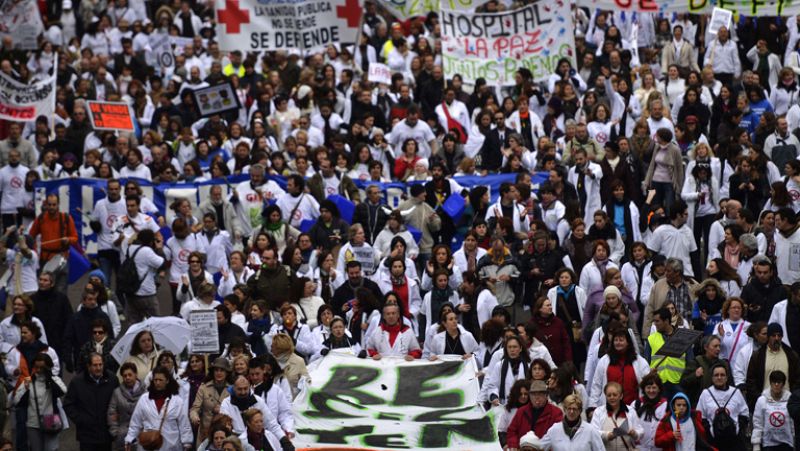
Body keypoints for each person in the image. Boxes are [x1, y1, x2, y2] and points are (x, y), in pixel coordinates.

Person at [125, 365, 194, 450]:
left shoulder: (177, 401)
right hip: (148, 445)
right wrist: (129, 439)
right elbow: (135, 422)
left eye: (160, 380)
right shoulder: (144, 399)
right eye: (155, 380)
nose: (157, 383)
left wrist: (187, 443)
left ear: (167, 380)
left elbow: (184, 424)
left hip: (171, 445)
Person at [217, 376, 293, 450]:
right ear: (233, 388)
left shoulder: (258, 401)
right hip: (235, 444)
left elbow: (271, 424)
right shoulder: (226, 404)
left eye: (245, 389)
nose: (243, 392)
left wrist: (284, 440)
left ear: (249, 387)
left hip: (259, 441)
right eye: (240, 389)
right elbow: (224, 429)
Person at [63, 352, 119, 451]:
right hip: (87, 435)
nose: (98, 368)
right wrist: (80, 420)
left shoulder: (112, 379)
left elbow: (118, 400)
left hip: (105, 433)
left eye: (100, 364)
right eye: (95, 365)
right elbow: (68, 404)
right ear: (88, 366)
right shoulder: (77, 382)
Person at [11, 354, 67, 451]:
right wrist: (25, 388)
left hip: (51, 421)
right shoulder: (28, 381)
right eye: (36, 367)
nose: (39, 370)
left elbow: (63, 391)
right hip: (33, 423)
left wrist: (49, 377)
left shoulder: (54, 379)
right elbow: (17, 401)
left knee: (51, 449)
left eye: (42, 368)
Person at [588, 325, 650, 409]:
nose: (618, 342)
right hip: (608, 410)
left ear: (628, 342)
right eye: (616, 340)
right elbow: (596, 385)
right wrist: (592, 407)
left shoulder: (640, 362)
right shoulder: (604, 361)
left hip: (634, 411)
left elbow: (647, 386)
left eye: (621, 340)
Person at [28, 193, 78, 292]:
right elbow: (31, 236)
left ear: (58, 204)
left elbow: (75, 238)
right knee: (44, 290)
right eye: (49, 205)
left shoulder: (66, 218)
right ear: (46, 205)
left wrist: (68, 240)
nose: (51, 207)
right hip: (45, 259)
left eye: (54, 205)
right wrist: (33, 250)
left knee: (61, 291)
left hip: (62, 259)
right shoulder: (41, 218)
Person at [746, 323, 800, 410]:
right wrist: (759, 397)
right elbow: (751, 380)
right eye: (773, 335)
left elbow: (797, 379)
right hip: (765, 404)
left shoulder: (791, 355)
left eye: (779, 335)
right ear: (768, 337)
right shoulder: (758, 356)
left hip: (787, 404)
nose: (776, 338)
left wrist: (793, 396)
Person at [696, 363, 750, 450]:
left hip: (734, 441)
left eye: (722, 375)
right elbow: (700, 416)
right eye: (716, 375)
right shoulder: (705, 393)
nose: (719, 377)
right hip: (714, 442)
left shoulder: (736, 392)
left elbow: (745, 413)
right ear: (712, 378)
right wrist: (710, 430)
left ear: (727, 378)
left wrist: (738, 427)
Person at [505, 380, 564, 450]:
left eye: (540, 394)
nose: (537, 397)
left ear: (546, 395)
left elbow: (559, 436)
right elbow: (512, 431)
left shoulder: (556, 413)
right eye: (533, 394)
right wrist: (513, 445)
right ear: (529, 396)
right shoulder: (521, 411)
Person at [123, 229, 166, 323]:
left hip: (131, 292)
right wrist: (159, 248)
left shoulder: (131, 248)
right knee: (156, 323)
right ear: (150, 240)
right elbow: (162, 263)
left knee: (135, 324)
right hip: (146, 293)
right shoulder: (146, 251)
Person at [190, 358, 232, 447]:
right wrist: (194, 416)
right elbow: (195, 408)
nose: (219, 373)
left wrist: (222, 409)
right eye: (216, 370)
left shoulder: (232, 388)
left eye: (222, 370)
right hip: (205, 433)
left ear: (227, 372)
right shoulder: (204, 387)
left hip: (226, 435)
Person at [590, 381, 644, 450]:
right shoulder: (599, 412)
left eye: (615, 395)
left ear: (621, 396)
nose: (612, 397)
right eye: (609, 395)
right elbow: (593, 432)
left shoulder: (630, 411)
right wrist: (608, 435)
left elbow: (641, 431)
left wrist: (634, 433)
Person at [539, 394, 604, 450]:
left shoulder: (590, 430)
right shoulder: (554, 429)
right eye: (569, 408)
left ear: (580, 411)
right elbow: (540, 447)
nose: (571, 412)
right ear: (564, 409)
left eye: (574, 409)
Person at [752, 370, 794, 451]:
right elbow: (757, 423)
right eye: (774, 382)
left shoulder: (790, 400)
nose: (776, 385)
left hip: (787, 443)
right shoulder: (762, 400)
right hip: (768, 444)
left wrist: (795, 440)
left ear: (783, 384)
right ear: (770, 383)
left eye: (779, 382)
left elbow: (792, 423)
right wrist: (756, 444)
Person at [108, 362, 146, 451]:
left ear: (136, 374)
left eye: (130, 375)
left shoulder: (145, 392)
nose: (127, 378)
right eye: (125, 376)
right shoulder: (117, 392)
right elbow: (111, 412)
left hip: (141, 436)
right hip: (122, 436)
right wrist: (115, 433)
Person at [484, 335, 530, 406]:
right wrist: (494, 397)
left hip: (523, 405)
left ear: (520, 348)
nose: (512, 350)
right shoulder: (499, 365)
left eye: (515, 347)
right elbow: (492, 386)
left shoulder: (527, 366)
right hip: (504, 405)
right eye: (509, 347)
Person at [633, 374, 669, 451]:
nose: (651, 391)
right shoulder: (636, 404)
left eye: (654, 388)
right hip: (640, 448)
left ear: (659, 389)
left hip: (659, 449)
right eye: (648, 388)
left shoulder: (666, 405)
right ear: (644, 389)